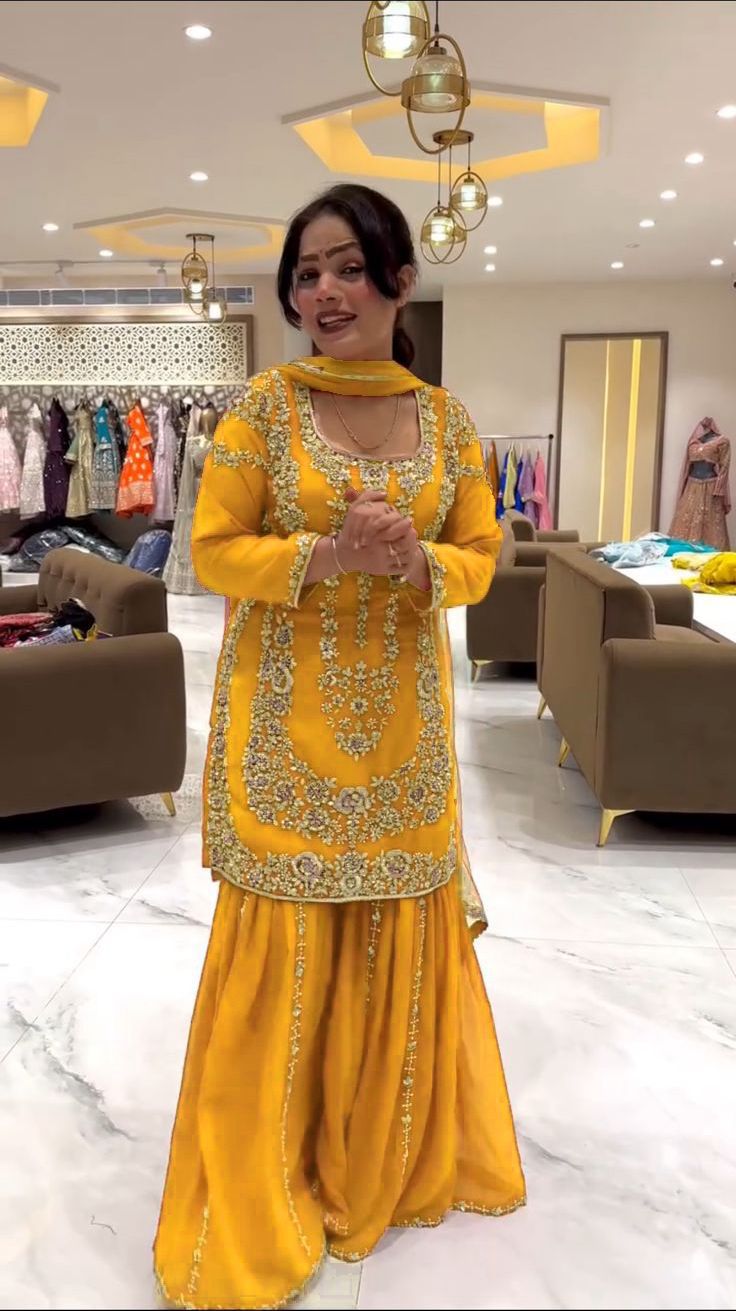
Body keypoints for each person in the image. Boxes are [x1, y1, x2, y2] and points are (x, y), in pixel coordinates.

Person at [154, 183, 525, 1310]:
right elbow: (211, 550)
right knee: (286, 938)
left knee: (392, 926)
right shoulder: (259, 413)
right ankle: (266, 1175)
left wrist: (417, 562)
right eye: (306, 273)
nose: (324, 291)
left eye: (348, 267)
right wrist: (325, 554)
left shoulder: (447, 421)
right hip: (287, 730)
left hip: (403, 732)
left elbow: (483, 554)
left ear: (399, 280)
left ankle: (381, 1165)